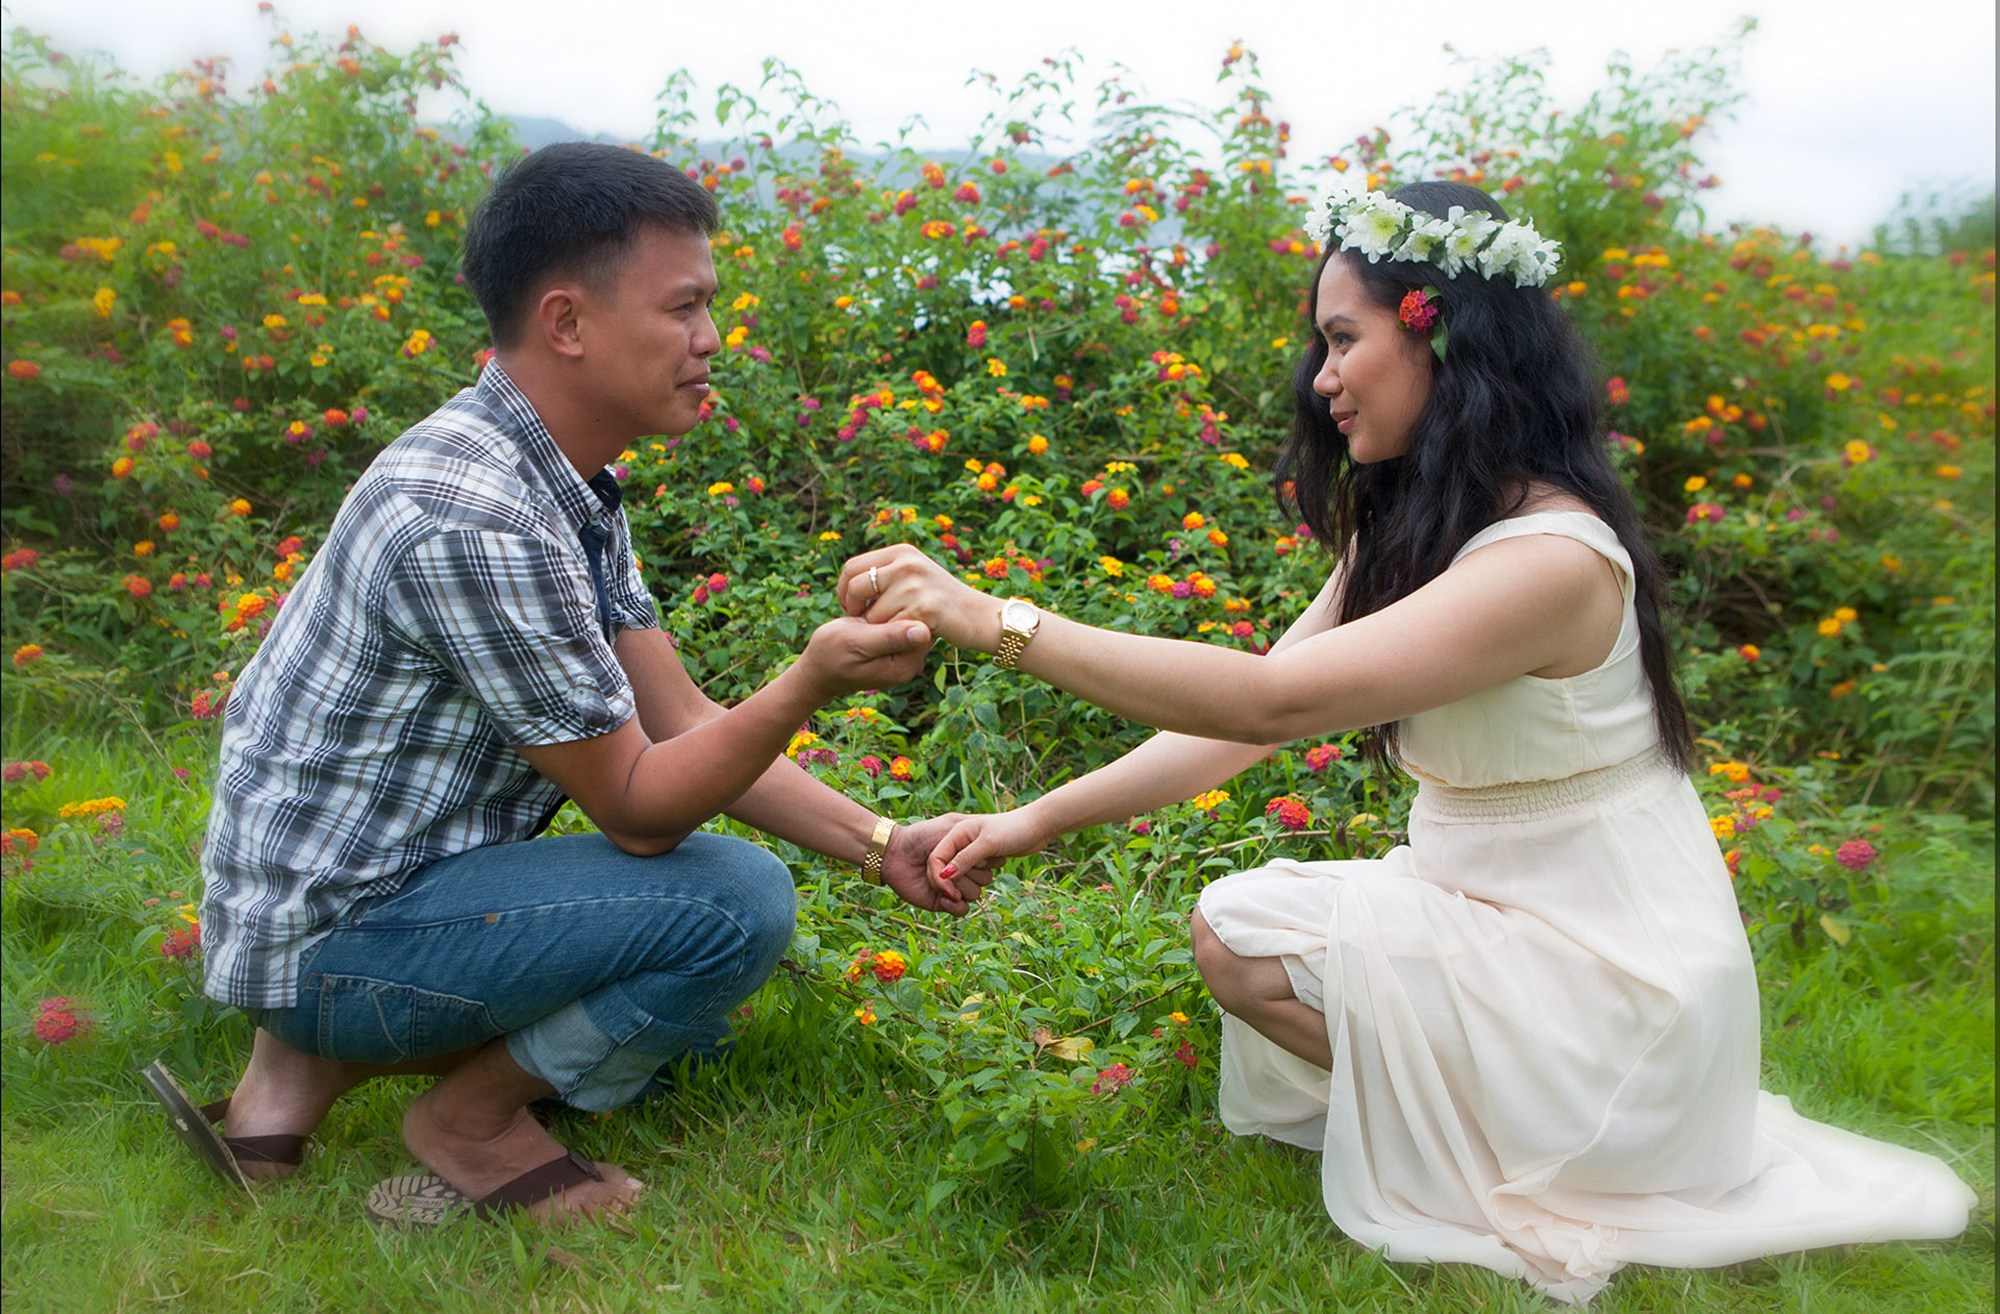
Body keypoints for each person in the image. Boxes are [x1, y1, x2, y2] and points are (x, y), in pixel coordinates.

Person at [838, 182, 1974, 1302]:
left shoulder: (1551, 560)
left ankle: (1540, 1144)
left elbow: (1265, 704)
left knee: (1244, 932)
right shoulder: (1424, 528)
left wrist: (991, 618)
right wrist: (1029, 821)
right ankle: (1487, 1124)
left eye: (1343, 339)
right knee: (1242, 934)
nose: (1321, 378)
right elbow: (1236, 729)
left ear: (1440, 331)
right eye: (1319, 346)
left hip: (1618, 989)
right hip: (1502, 921)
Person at [147, 140, 988, 1227]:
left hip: (344, 906)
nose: (710, 338)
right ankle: (468, 1122)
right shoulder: (476, 515)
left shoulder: (557, 479)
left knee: (688, 1026)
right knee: (730, 908)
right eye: (683, 307)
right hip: (335, 935)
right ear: (567, 322)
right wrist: (809, 683)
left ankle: (296, 1077)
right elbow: (639, 808)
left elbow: (678, 719)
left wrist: (882, 844)